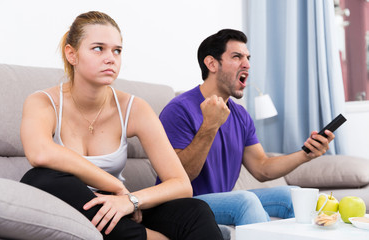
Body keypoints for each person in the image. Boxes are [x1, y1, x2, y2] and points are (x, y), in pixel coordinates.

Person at [20, 11, 223, 240]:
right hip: (76, 207)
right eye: (98, 48)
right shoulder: (43, 102)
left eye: (117, 50)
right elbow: (39, 153)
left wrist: (130, 201)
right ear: (71, 54)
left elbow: (181, 184)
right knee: (40, 178)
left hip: (122, 210)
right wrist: (115, 185)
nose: (111, 58)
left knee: (196, 212)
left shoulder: (133, 107)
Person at [158, 29, 335, 226]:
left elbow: (262, 168)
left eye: (248, 58)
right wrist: (210, 126)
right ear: (212, 64)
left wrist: (306, 154)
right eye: (237, 56)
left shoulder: (240, 115)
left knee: (293, 195)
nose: (247, 64)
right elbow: (179, 176)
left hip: (221, 200)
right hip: (180, 206)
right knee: (245, 201)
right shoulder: (179, 109)